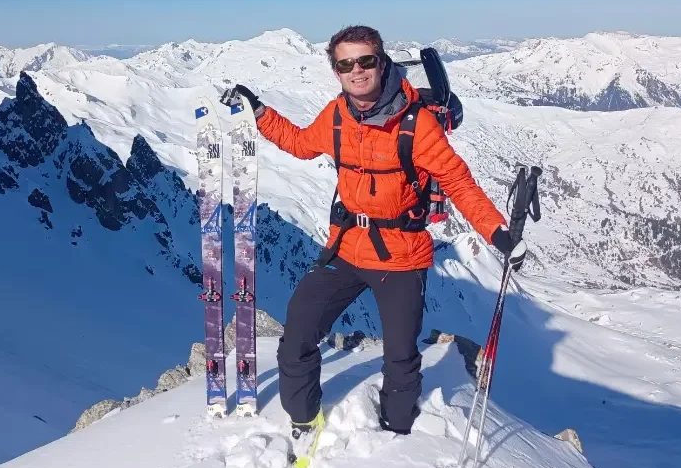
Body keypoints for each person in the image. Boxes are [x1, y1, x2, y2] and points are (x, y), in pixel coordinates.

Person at [224, 25, 522, 438]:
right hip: (347, 248)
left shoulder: (417, 124)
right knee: (297, 334)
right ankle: (303, 420)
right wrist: (259, 112)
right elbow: (300, 143)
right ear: (336, 71)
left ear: (382, 63)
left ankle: (397, 436)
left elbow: (458, 182)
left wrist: (496, 232)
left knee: (400, 357)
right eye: (346, 63)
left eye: (366, 60)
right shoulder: (337, 115)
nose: (357, 70)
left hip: (401, 257)